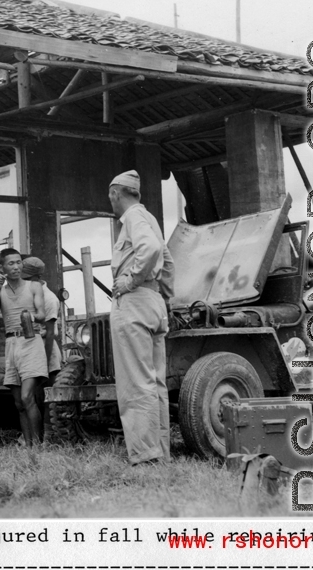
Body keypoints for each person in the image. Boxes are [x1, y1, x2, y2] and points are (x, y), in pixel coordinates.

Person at [108, 171, 175, 466]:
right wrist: (164, 295)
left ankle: (146, 456)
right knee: (155, 382)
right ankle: (160, 452)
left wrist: (130, 281)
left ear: (115, 193)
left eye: (110, 196)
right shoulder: (149, 218)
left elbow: (150, 249)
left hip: (134, 301)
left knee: (136, 383)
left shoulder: (133, 218)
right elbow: (167, 260)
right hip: (153, 301)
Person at [0, 248, 47, 446]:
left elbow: (42, 314)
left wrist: (29, 316)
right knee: (19, 403)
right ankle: (29, 447)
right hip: (11, 343)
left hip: (31, 341)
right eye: (11, 263)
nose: (16, 267)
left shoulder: (33, 286)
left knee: (27, 396)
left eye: (19, 262)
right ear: (2, 268)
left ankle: (37, 446)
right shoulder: (0, 291)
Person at [21, 257, 62, 380]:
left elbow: (50, 334)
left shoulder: (49, 299)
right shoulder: (27, 293)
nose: (24, 281)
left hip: (45, 351)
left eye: (27, 278)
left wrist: (44, 364)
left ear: (38, 277)